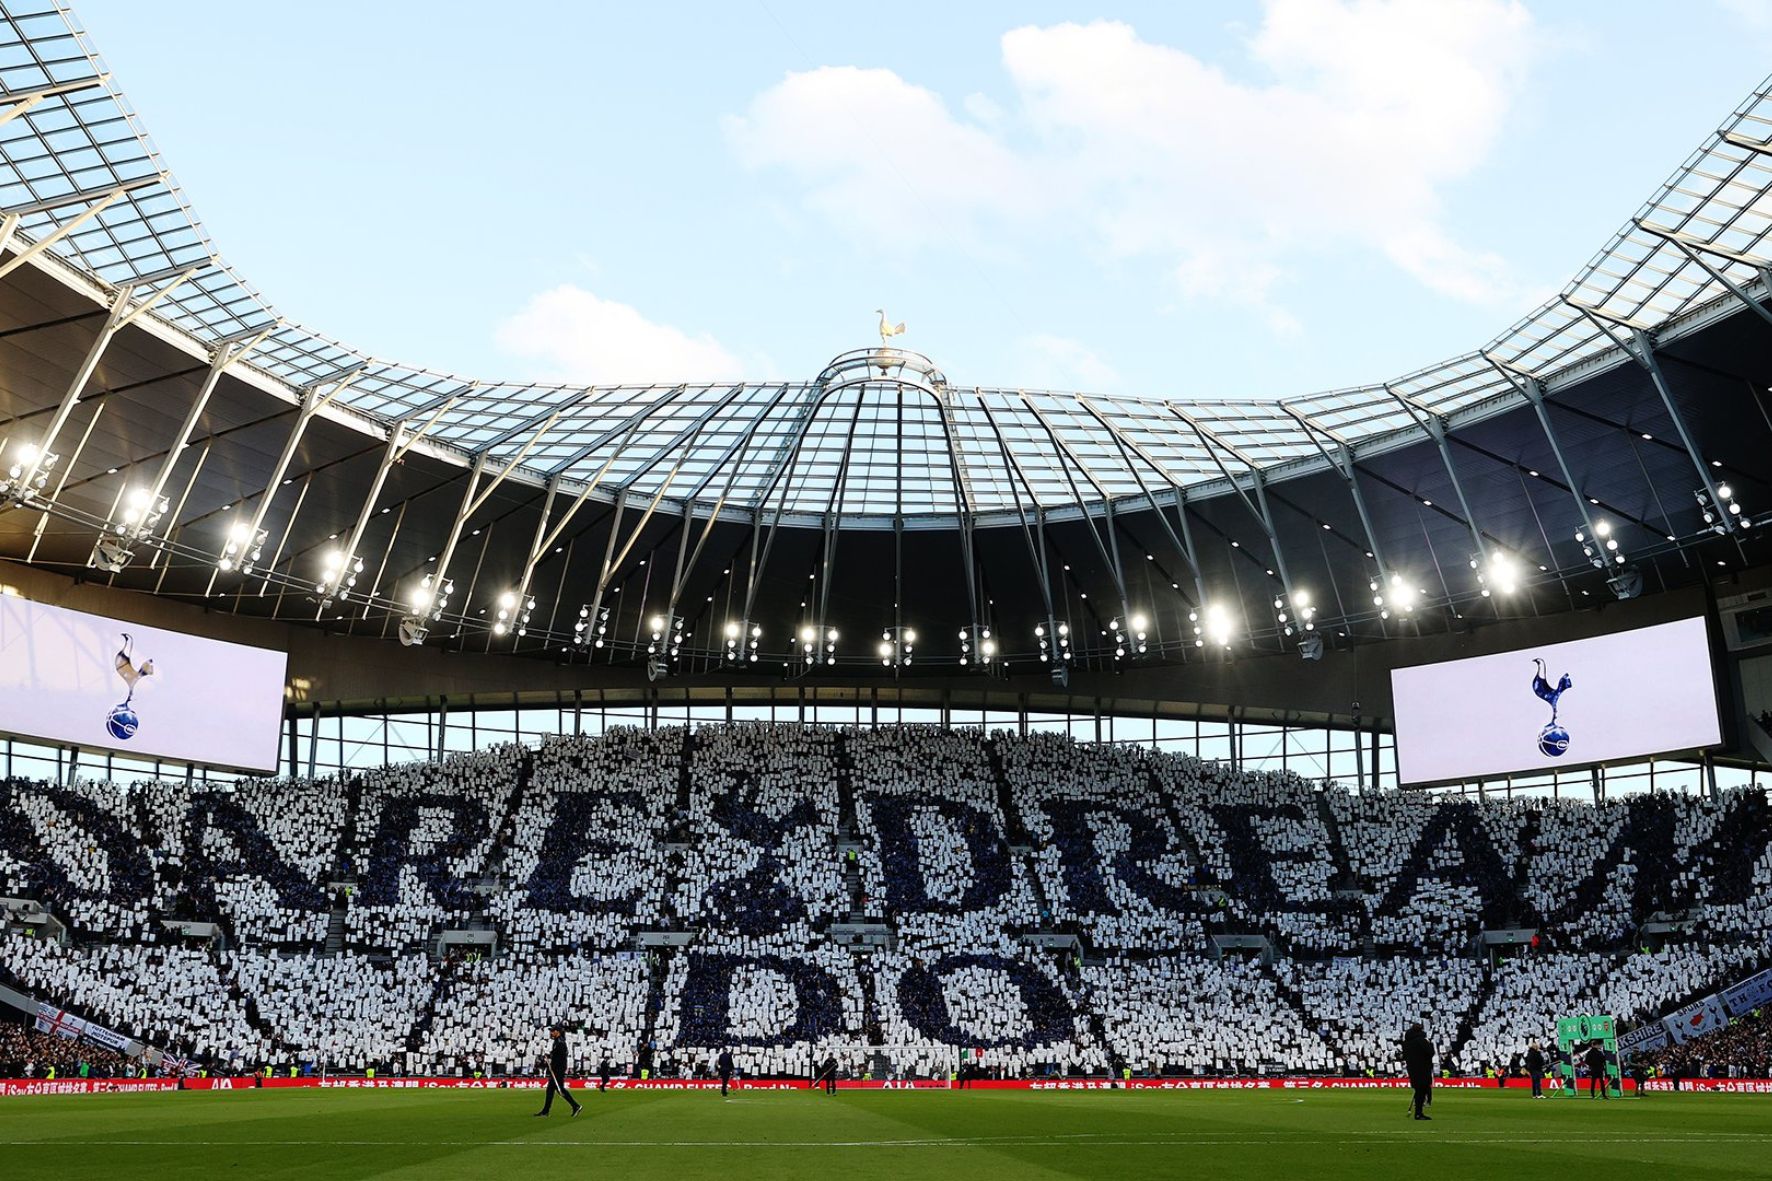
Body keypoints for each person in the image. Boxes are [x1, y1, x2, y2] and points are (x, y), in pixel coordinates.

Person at [534, 1025, 582, 1118]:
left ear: (557, 1032)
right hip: (556, 1069)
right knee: (551, 1090)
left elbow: (561, 1058)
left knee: (560, 1090)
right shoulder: (557, 1042)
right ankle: (545, 1111)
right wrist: (549, 1056)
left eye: (553, 1031)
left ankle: (576, 1106)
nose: (551, 1033)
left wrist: (553, 1064)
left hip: (558, 1070)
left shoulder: (560, 1043)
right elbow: (556, 1055)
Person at [1402, 1023, 1434, 1121]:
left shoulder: (1406, 1042)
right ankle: (1419, 1113)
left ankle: (1419, 1112)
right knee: (1422, 1091)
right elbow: (1431, 1052)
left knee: (1418, 1090)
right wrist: (1429, 1043)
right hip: (1423, 1069)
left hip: (1412, 1069)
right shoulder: (1421, 1040)